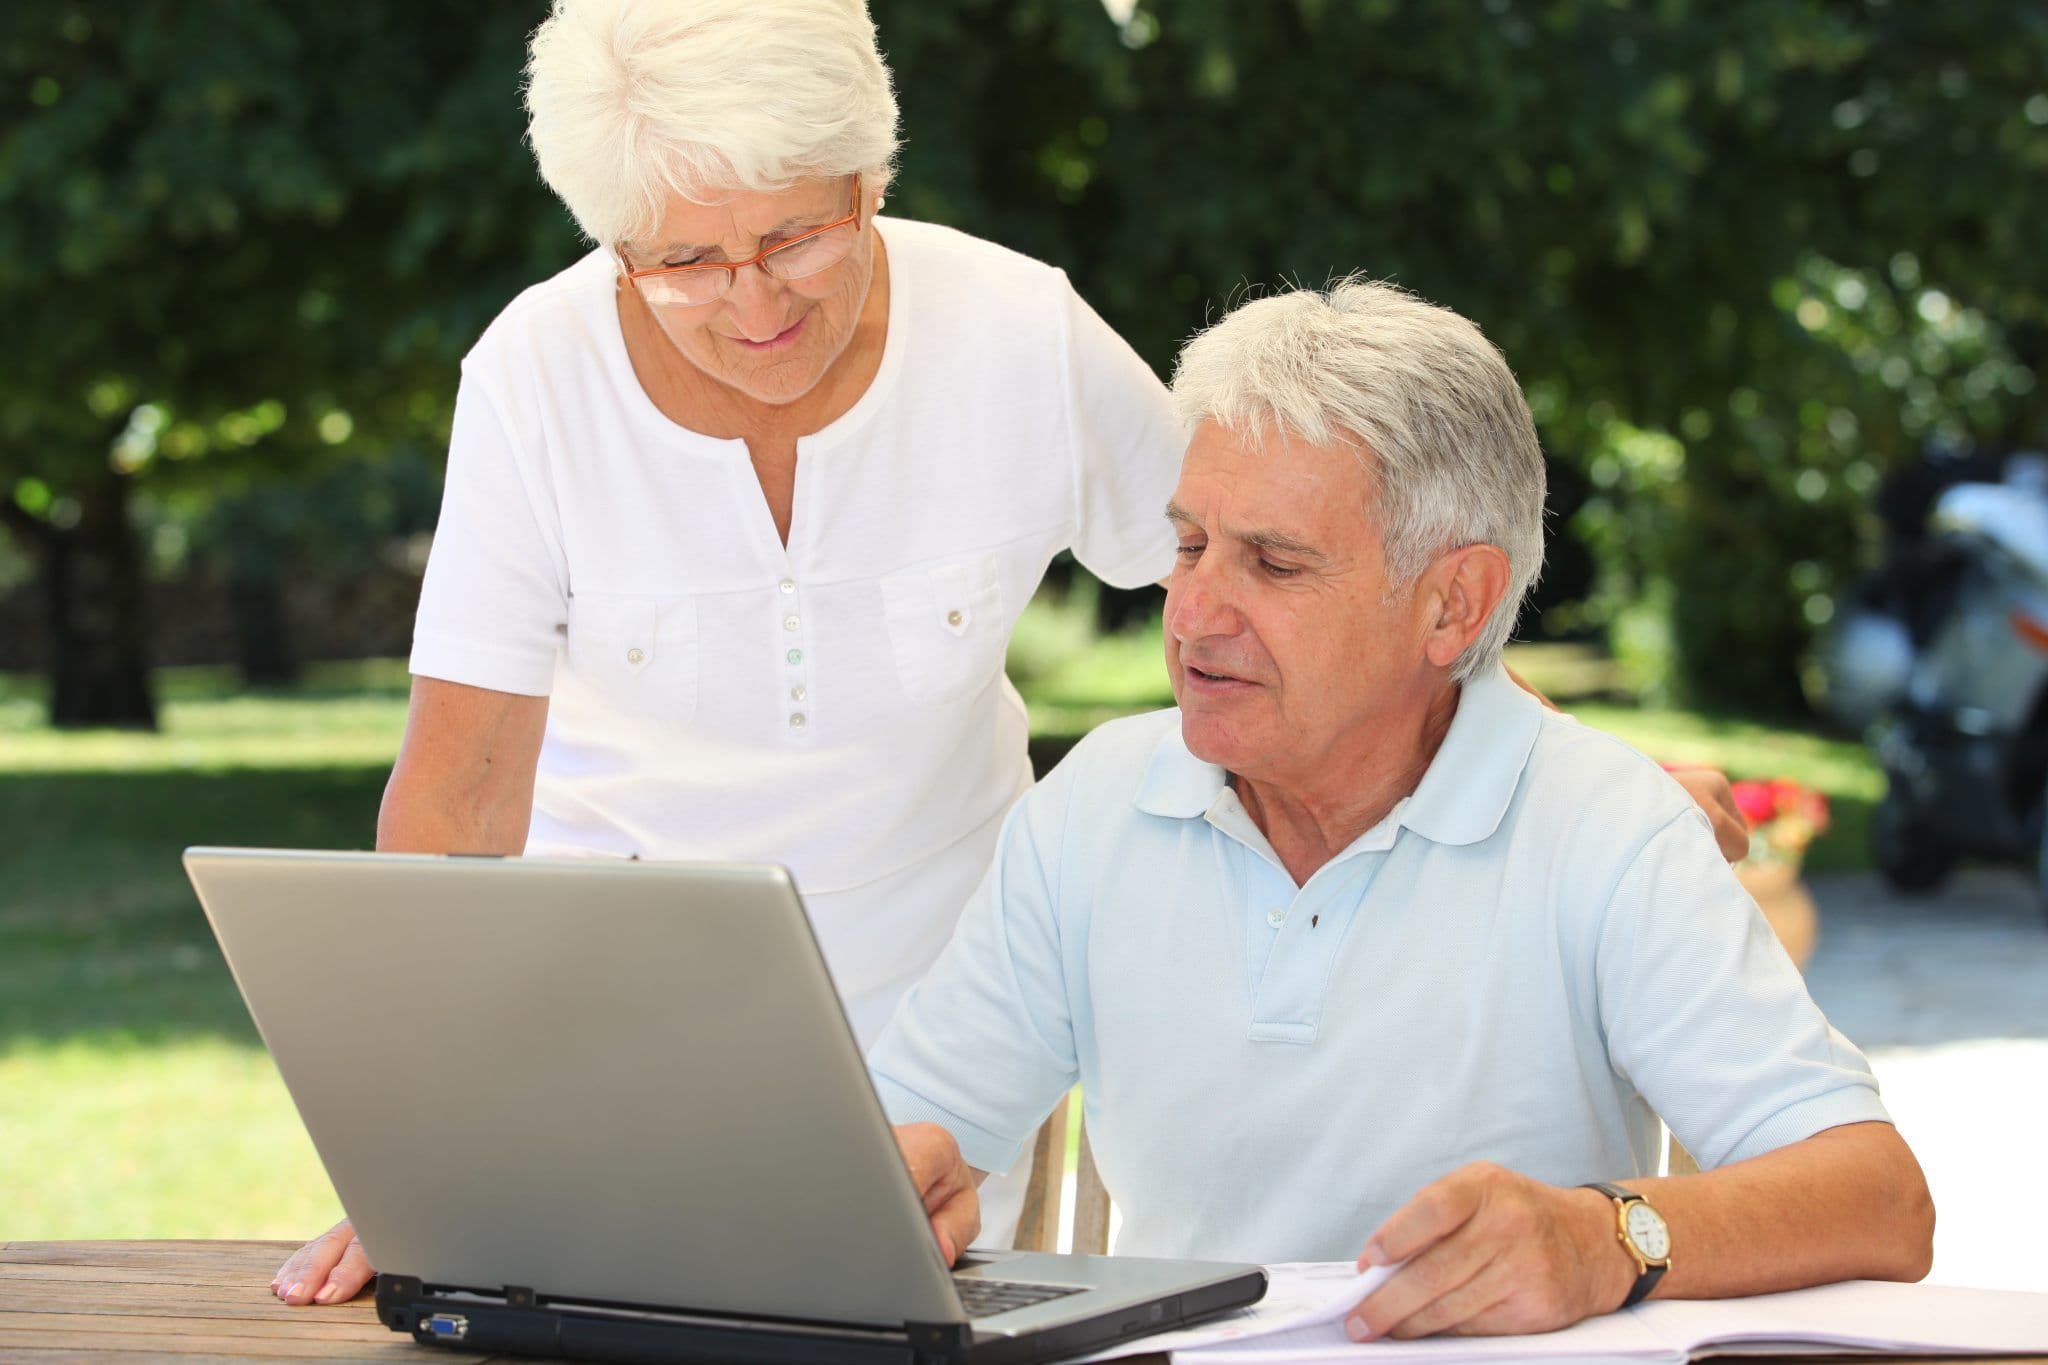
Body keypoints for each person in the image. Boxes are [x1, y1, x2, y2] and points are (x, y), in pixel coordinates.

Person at [272, 0, 1746, 1308]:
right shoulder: (534, 379)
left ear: (873, 178)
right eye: (685, 261)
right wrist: (423, 1158)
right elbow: (459, 790)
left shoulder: (1013, 332)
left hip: (957, 1029)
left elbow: (1319, 569)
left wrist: (1576, 773)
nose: (756, 299)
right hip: (617, 1030)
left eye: (799, 233)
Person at [866, 279, 1935, 1340]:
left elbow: (1877, 1197)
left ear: (1451, 604)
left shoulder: (1604, 829)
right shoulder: (1097, 802)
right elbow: (904, 1141)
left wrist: (1602, 1239)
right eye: (1188, 545)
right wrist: (894, 1185)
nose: (1191, 613)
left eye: (1272, 563)